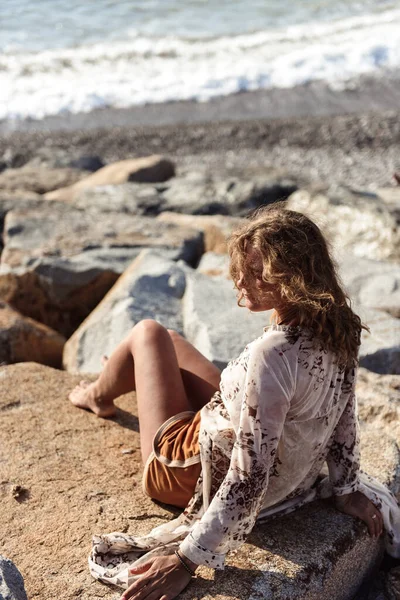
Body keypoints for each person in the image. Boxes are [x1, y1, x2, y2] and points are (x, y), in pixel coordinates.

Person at [69, 205, 400, 600]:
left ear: (294, 278)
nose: (239, 279)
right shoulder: (339, 323)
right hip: (235, 421)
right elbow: (344, 411)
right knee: (171, 341)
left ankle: (97, 395)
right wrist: (345, 489)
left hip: (187, 467)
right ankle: (127, 375)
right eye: (241, 266)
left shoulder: (272, 355)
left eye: (257, 272)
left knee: (149, 332)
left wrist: (187, 560)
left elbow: (248, 476)